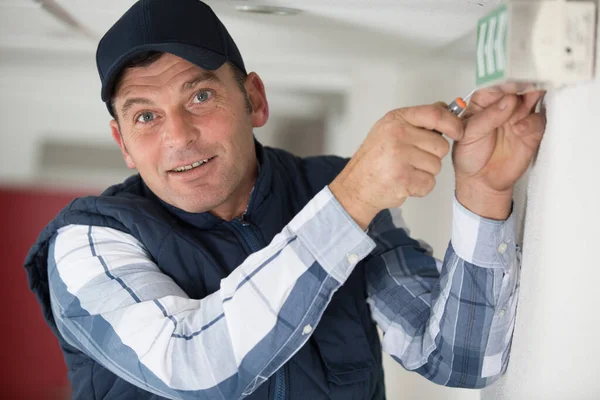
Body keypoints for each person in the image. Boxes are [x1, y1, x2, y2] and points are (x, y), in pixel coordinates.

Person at [24, 0, 546, 399]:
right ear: (124, 145)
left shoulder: (331, 190)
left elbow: (461, 359)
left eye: (200, 96)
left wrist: (483, 192)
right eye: (145, 116)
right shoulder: (87, 242)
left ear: (254, 99)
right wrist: (350, 198)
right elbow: (193, 366)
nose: (178, 136)